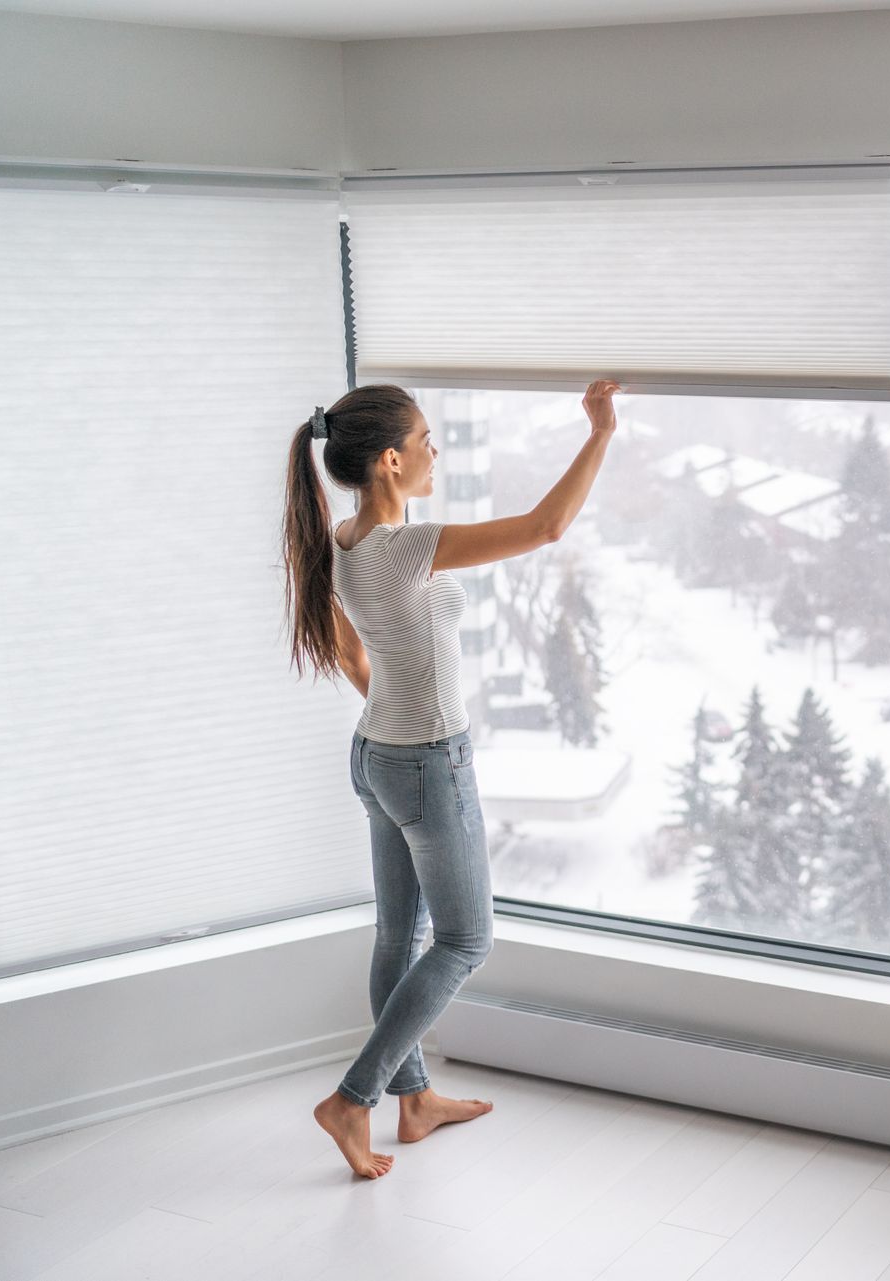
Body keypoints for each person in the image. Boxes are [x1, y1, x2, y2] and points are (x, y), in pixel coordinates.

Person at [281, 379, 623, 1178]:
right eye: (430, 440)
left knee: (399, 937)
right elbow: (546, 527)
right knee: (468, 938)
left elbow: (356, 656)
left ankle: (415, 1099)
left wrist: (400, 728)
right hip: (429, 762)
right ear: (392, 460)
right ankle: (353, 1098)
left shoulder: (341, 537)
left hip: (377, 753)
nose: (440, 451)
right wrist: (601, 432)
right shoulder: (406, 547)